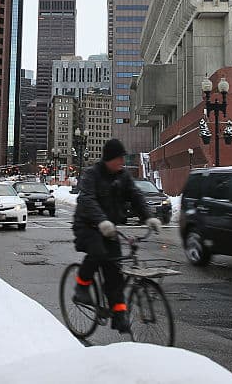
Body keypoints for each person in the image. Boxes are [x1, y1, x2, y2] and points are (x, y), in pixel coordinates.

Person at [71, 138, 162, 333]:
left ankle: (119, 314)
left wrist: (148, 217)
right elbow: (87, 199)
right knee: (98, 253)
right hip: (86, 226)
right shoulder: (92, 174)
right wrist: (101, 221)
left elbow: (136, 195)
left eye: (122, 158)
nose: (122, 162)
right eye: (118, 158)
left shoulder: (123, 176)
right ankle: (82, 287)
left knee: (115, 273)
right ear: (108, 159)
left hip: (110, 229)